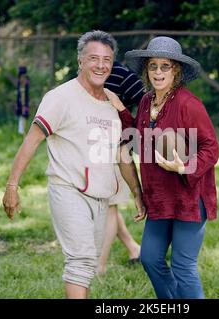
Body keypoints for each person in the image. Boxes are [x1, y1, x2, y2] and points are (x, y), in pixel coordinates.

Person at [2, 30, 145, 299]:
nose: (100, 65)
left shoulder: (112, 104)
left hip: (102, 196)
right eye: (93, 58)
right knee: (80, 260)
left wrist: (137, 193)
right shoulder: (60, 97)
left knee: (88, 264)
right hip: (68, 190)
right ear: (80, 60)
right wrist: (12, 185)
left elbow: (122, 155)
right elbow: (31, 141)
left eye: (107, 59)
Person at [105, 36, 219, 299]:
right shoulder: (146, 102)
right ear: (146, 70)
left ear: (176, 70)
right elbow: (138, 137)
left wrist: (184, 167)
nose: (158, 72)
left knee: (183, 266)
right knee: (149, 258)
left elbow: (211, 148)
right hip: (159, 196)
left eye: (165, 66)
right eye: (153, 66)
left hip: (189, 197)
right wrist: (122, 108)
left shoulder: (189, 105)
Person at [97, 61, 145, 274]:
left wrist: (126, 121)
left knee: (108, 205)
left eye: (105, 56)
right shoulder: (86, 71)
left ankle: (100, 266)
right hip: (93, 146)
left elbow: (146, 103)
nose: (99, 61)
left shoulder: (122, 74)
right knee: (106, 202)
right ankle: (134, 248)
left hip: (117, 146)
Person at [16, 66, 30, 135]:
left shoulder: (26, 81)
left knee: (24, 115)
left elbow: (26, 93)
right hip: (20, 102)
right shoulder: (20, 82)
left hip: (24, 102)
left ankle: (24, 131)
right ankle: (22, 131)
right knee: (21, 116)